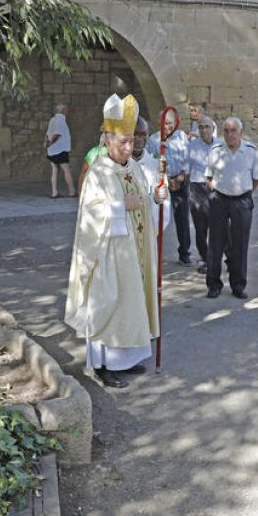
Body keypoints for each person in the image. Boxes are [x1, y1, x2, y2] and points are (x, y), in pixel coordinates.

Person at [65, 94, 168, 389]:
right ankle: (103, 366)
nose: (128, 147)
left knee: (132, 303)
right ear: (107, 140)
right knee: (109, 304)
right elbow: (90, 213)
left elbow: (143, 200)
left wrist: (155, 198)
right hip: (107, 254)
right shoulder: (98, 171)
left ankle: (128, 359)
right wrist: (122, 205)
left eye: (130, 141)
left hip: (132, 252)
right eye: (122, 142)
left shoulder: (133, 167)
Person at [205, 117, 258, 299]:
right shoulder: (215, 150)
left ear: (241, 132)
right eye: (226, 131)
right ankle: (214, 284)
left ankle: (238, 285)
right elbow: (209, 176)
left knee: (240, 244)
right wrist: (218, 191)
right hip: (219, 199)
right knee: (215, 243)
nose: (230, 135)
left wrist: (243, 192)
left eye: (233, 130)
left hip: (242, 201)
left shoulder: (251, 151)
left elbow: (256, 179)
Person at [146, 108, 192, 264]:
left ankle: (185, 253)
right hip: (161, 182)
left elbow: (188, 159)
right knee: (157, 217)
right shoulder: (153, 140)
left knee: (182, 218)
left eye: (170, 123)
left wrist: (180, 177)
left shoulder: (181, 137)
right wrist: (164, 179)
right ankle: (154, 253)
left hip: (180, 180)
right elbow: (150, 162)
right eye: (164, 123)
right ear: (158, 123)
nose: (167, 126)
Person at [187, 117, 222, 274]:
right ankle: (204, 258)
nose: (203, 130)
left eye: (207, 127)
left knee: (220, 226)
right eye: (200, 127)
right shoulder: (192, 146)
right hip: (198, 187)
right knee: (200, 227)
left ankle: (223, 257)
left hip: (217, 188)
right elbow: (186, 168)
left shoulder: (221, 144)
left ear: (213, 128)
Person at [133, 119, 171, 233]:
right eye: (134, 134)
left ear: (148, 136)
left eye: (143, 134)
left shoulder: (156, 167)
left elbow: (164, 203)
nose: (138, 139)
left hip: (149, 231)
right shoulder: (118, 165)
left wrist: (157, 199)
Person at [45, 103, 76, 198]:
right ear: (63, 110)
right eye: (66, 109)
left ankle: (54, 192)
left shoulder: (52, 119)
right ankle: (72, 191)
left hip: (52, 151)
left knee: (54, 170)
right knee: (66, 170)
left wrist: (46, 143)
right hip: (60, 150)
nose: (67, 111)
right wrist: (50, 143)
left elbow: (47, 133)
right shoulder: (60, 120)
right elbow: (56, 134)